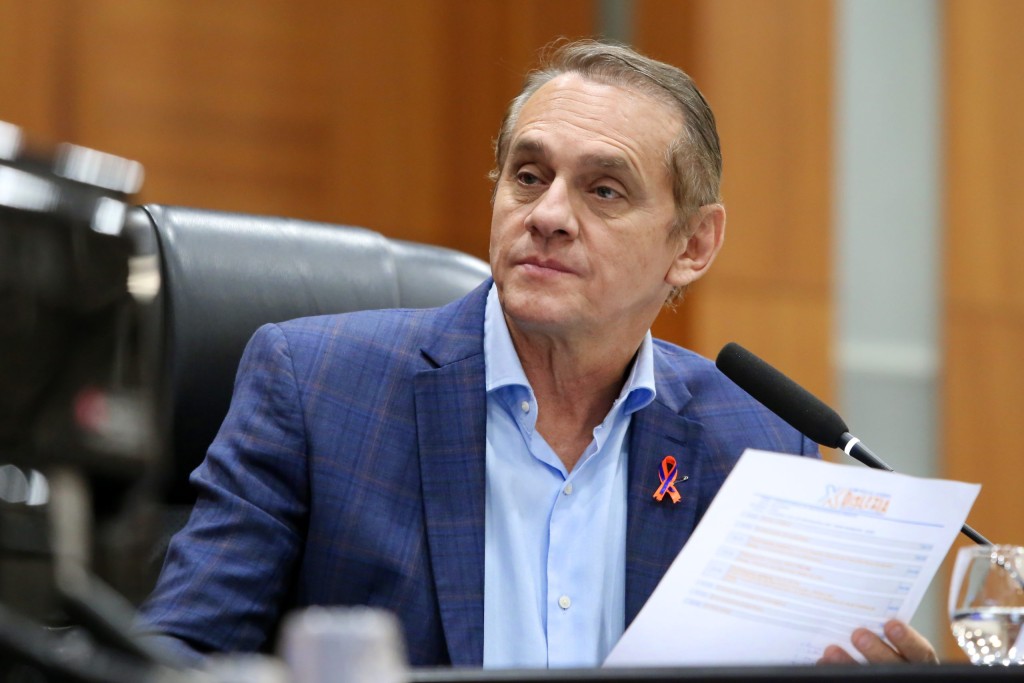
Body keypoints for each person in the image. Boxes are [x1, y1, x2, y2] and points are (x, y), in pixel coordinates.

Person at [137, 39, 937, 668]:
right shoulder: (316, 388)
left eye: (603, 189)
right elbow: (174, 660)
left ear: (692, 245)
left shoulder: (755, 439)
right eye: (528, 175)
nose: (548, 214)